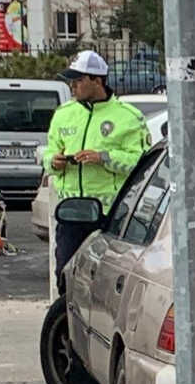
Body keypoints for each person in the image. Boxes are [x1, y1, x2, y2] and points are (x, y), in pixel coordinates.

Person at [43, 49, 152, 275]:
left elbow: (142, 165)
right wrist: (54, 162)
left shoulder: (128, 117)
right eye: (70, 80)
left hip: (110, 216)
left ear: (97, 80)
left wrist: (103, 157)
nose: (72, 86)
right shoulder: (63, 114)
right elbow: (49, 153)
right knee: (65, 276)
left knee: (106, 280)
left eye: (79, 80)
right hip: (71, 214)